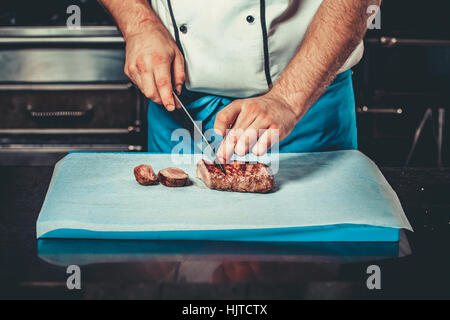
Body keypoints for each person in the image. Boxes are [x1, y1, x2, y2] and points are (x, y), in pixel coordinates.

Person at [100, 0, 380, 162]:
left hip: (305, 107)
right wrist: (139, 24)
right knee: (177, 249)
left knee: (307, 255)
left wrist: (287, 99)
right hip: (180, 112)